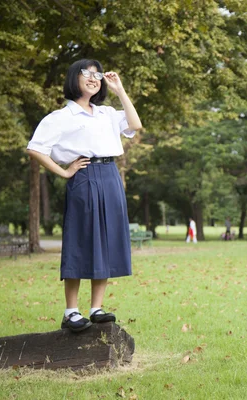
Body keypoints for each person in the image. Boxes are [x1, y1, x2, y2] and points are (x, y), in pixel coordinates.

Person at [26, 59, 143, 332]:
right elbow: (35, 148)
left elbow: (134, 125)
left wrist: (120, 90)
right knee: (81, 239)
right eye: (86, 73)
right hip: (84, 176)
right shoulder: (61, 117)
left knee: (106, 240)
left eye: (97, 74)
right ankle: (71, 311)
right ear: (73, 78)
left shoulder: (105, 113)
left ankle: (96, 308)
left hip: (110, 175)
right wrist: (64, 172)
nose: (93, 78)